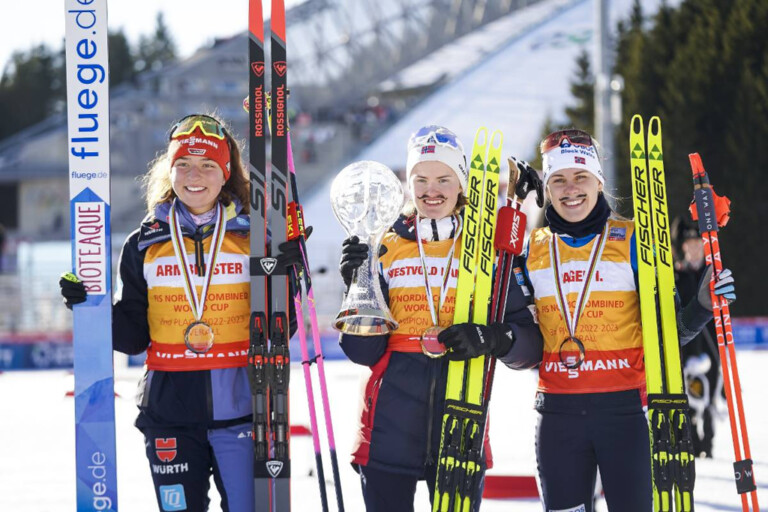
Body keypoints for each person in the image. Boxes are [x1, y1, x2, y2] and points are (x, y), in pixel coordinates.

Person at [449, 129, 735, 512]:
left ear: (599, 181)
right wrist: (496, 338)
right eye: (558, 180)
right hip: (557, 416)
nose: (571, 189)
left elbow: (667, 338)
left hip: (625, 415)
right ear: (547, 188)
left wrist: (700, 306)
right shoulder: (530, 251)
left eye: (581, 177)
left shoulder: (635, 240)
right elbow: (526, 344)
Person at [59, 113, 302, 512]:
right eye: (184, 164)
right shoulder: (144, 243)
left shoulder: (254, 237)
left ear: (226, 173)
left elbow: (281, 329)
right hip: (169, 410)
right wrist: (89, 308)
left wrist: (285, 275)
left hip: (243, 407)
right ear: (169, 171)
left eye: (208, 165)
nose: (195, 175)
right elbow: (134, 336)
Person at [338, 125, 541, 512]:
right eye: (422, 178)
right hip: (386, 434)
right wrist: (357, 287)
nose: (432, 190)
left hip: (461, 431)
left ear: (462, 183)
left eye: (444, 178)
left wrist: (492, 338)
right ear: (408, 183)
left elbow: (529, 348)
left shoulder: (489, 250)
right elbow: (363, 351)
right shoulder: (384, 245)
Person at [673, 216, 725, 458]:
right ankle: (692, 436)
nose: (693, 246)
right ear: (683, 246)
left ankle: (709, 439)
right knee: (689, 390)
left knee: (711, 390)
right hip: (689, 343)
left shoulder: (711, 274)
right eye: (689, 242)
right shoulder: (677, 275)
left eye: (698, 242)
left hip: (711, 341)